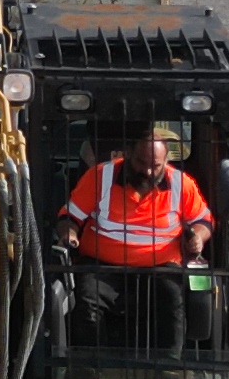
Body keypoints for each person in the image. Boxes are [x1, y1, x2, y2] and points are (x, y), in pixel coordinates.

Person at [64, 117, 212, 280]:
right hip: (100, 268)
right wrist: (69, 234)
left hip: (163, 269)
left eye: (155, 166)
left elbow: (204, 220)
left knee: (175, 298)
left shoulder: (181, 183)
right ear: (128, 154)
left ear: (165, 161)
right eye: (141, 163)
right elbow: (69, 217)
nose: (148, 172)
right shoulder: (100, 176)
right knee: (88, 298)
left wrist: (198, 236)